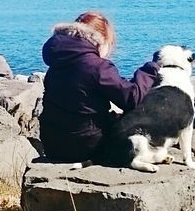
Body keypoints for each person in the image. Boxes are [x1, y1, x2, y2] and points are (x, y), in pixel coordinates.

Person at [39, 11, 161, 163]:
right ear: (101, 40)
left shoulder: (57, 62)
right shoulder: (97, 66)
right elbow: (132, 98)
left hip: (53, 145)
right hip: (87, 146)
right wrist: (150, 69)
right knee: (136, 118)